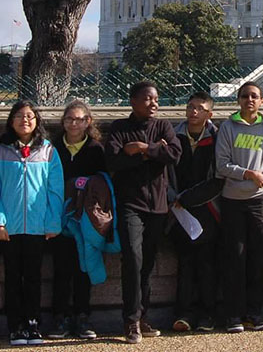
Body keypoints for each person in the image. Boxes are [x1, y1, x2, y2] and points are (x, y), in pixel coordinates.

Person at [105, 81, 182, 343]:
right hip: (130, 204)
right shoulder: (119, 128)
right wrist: (149, 153)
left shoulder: (163, 126)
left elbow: (173, 154)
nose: (154, 104)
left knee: (147, 264)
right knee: (133, 259)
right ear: (133, 101)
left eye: (156, 99)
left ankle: (143, 316)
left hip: (158, 206)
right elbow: (114, 160)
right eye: (148, 99)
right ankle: (130, 321)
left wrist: (144, 148)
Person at [0, 100, 65, 346]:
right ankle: (15, 324)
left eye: (30, 116)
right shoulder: (1, 150)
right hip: (10, 227)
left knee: (33, 276)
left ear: (37, 121)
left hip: (38, 227)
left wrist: (52, 222)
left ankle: (33, 322)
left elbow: (56, 189)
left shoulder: (48, 150)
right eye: (20, 116)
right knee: (12, 276)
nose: (25, 121)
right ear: (11, 121)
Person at [215, 81, 263, 334]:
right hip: (233, 200)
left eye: (254, 96)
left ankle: (255, 311)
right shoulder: (227, 128)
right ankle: (233, 314)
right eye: (245, 96)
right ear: (238, 100)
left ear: (262, 101)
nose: (249, 100)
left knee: (258, 258)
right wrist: (248, 174)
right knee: (235, 257)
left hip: (259, 200)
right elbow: (221, 165)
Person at [48, 100, 106, 340]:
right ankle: (60, 317)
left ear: (88, 122)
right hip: (60, 216)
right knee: (61, 268)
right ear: (63, 122)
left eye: (80, 119)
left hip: (85, 219)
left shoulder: (95, 149)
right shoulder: (52, 148)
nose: (74, 123)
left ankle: (83, 316)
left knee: (84, 267)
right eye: (70, 119)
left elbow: (103, 182)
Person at [168, 91, 224, 334]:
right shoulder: (173, 136)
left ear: (209, 114)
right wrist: (176, 198)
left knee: (207, 263)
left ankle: (208, 313)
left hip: (207, 207)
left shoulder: (217, 137)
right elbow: (165, 172)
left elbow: (218, 176)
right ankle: (184, 313)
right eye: (190, 106)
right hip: (178, 210)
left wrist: (190, 198)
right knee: (185, 262)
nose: (193, 112)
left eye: (199, 108)